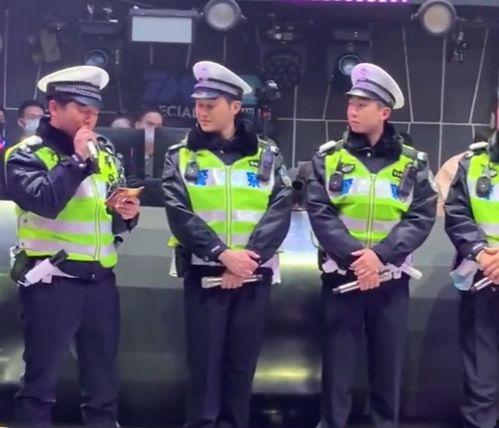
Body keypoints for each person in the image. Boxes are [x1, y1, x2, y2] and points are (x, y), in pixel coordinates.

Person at [4, 65, 140, 428]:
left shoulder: (105, 152)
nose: (90, 117)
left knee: (102, 379)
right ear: (54, 108)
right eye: (81, 108)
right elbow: (44, 200)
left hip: (100, 281)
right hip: (53, 279)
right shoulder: (26, 154)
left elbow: (108, 215)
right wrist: (78, 161)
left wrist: (126, 214)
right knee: (40, 382)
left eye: (94, 109)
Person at [162, 60, 293, 428]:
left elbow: (280, 209)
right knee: (204, 370)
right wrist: (222, 255)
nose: (201, 112)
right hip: (205, 276)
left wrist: (247, 260)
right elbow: (179, 213)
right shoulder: (180, 155)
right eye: (198, 105)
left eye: (210, 105)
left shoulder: (267, 155)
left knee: (241, 369)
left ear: (235, 107)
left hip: (253, 276)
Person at [307, 63, 437, 428]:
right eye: (351, 103)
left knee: (387, 369)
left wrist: (379, 258)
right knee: (337, 370)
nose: (352, 110)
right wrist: (357, 260)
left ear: (384, 112)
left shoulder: (413, 163)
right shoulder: (328, 158)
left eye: (362, 104)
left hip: (390, 282)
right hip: (341, 280)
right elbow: (320, 212)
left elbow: (421, 216)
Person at [444, 130, 499, 428]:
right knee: (480, 380)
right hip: (483, 280)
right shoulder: (472, 162)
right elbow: (457, 214)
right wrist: (481, 253)